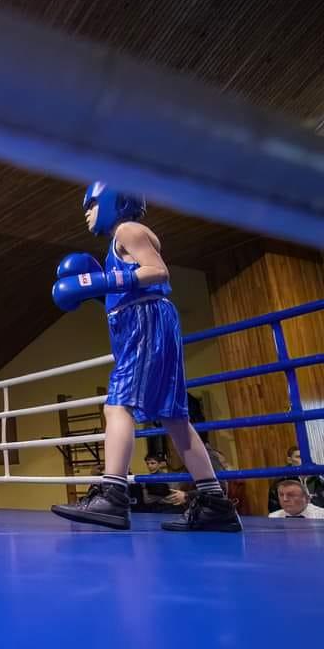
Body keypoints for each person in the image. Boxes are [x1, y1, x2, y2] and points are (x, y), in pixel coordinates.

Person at [50, 183, 241, 532]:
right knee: (174, 418)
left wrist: (99, 281)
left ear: (115, 200)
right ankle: (215, 503)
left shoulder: (128, 230)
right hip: (146, 321)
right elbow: (130, 284)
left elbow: (157, 271)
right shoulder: (121, 241)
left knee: (117, 406)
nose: (87, 212)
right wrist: (100, 291)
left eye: (92, 204)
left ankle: (113, 495)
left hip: (145, 322)